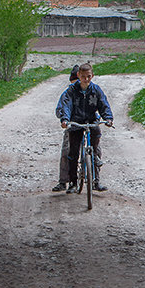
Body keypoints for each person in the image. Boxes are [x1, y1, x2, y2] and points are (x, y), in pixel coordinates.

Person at [55, 62, 113, 193]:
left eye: (88, 76)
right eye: (83, 76)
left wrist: (108, 118)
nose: (86, 79)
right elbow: (66, 106)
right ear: (78, 76)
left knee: (96, 142)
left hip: (91, 120)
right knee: (72, 153)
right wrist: (65, 119)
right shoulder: (71, 91)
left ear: (92, 76)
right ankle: (73, 183)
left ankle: (96, 180)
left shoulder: (96, 90)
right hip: (76, 122)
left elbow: (103, 104)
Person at [51, 65, 81, 192]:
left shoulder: (90, 91)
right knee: (67, 151)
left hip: (87, 123)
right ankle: (63, 181)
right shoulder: (67, 93)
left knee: (96, 150)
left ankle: (95, 179)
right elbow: (59, 110)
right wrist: (65, 118)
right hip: (72, 125)